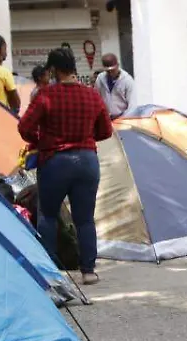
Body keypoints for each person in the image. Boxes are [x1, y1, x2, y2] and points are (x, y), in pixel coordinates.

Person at [18, 47, 113, 286]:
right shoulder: (92, 95)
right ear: (73, 67)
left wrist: (42, 141)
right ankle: (88, 271)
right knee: (85, 219)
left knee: (48, 215)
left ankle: (51, 273)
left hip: (54, 162)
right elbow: (106, 130)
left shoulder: (45, 96)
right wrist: (84, 138)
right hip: (87, 161)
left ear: (53, 69)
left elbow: (24, 127)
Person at [95, 53, 134, 119]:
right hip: (106, 118)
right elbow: (96, 99)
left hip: (123, 118)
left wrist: (127, 119)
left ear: (118, 65)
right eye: (108, 71)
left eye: (112, 70)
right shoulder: (100, 79)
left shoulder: (127, 80)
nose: (110, 73)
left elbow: (132, 105)